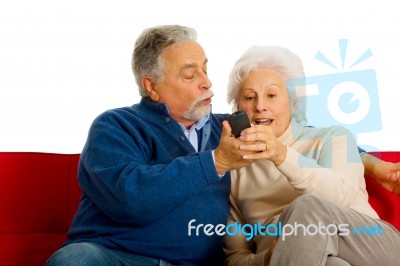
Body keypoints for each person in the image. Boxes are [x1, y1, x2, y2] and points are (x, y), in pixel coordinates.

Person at [46, 25, 255, 266]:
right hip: (117, 257)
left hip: (197, 263)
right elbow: (130, 198)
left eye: (205, 69)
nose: (207, 82)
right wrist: (214, 162)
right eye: (190, 74)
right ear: (151, 87)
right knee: (75, 260)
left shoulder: (226, 129)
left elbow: (287, 129)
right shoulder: (115, 126)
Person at [223, 45, 400, 266]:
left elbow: (338, 195)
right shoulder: (235, 172)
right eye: (250, 98)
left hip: (370, 244)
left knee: (306, 208)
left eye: (271, 95)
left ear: (293, 101)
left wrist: (280, 155)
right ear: (237, 107)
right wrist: (266, 258)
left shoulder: (334, 137)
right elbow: (234, 258)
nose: (260, 106)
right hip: (302, 259)